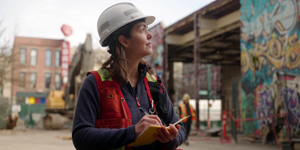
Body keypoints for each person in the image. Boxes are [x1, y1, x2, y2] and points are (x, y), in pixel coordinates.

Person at [72, 2, 185, 150]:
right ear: (124, 40)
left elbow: (180, 128)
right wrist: (133, 132)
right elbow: (81, 137)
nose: (150, 35)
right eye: (142, 29)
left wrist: (170, 139)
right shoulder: (95, 83)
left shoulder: (154, 84)